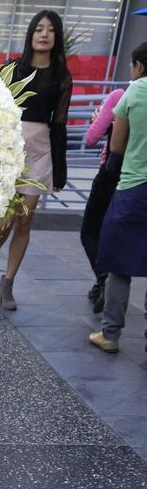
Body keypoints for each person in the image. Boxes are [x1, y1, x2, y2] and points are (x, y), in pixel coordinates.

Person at [0, 10, 72, 309]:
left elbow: (60, 124)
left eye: (51, 29)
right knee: (4, 220)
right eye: (39, 29)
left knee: (25, 221)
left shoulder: (62, 77)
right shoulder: (12, 69)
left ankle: (8, 282)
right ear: (30, 34)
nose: (44, 34)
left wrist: (59, 170)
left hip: (40, 152)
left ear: (57, 37)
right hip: (9, 151)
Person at [89, 43, 147, 354]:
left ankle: (110, 334)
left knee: (119, 266)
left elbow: (117, 147)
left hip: (134, 189)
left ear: (138, 65)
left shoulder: (133, 94)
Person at [79, 81, 129, 311]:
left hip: (111, 173)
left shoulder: (121, 95)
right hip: (136, 179)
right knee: (117, 234)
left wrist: (99, 118)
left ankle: (103, 278)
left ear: (138, 67)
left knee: (90, 230)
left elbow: (92, 137)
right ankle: (102, 285)